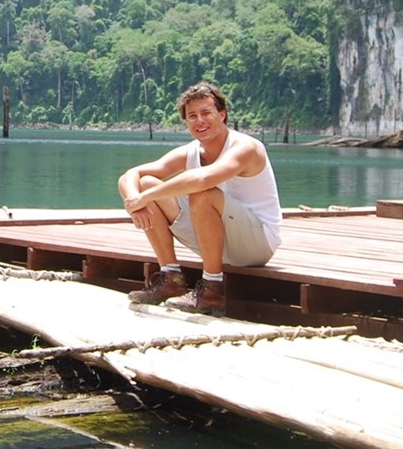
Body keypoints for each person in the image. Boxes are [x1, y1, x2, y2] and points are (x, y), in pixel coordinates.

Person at [117, 81, 282, 315]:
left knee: (202, 193)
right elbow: (131, 175)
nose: (200, 121)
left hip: (256, 245)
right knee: (146, 182)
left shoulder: (246, 147)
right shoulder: (192, 151)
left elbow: (204, 180)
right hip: (215, 240)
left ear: (222, 115)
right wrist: (135, 199)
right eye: (192, 116)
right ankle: (170, 279)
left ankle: (212, 291)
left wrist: (146, 197)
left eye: (206, 113)